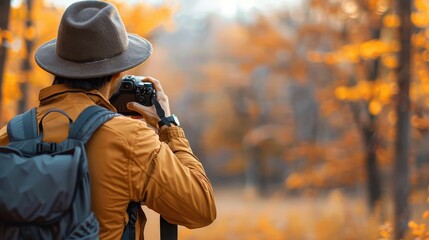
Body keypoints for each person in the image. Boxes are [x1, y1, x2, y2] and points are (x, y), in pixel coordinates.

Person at [0, 1, 216, 239]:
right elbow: (201, 209)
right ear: (117, 74)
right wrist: (169, 126)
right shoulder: (130, 139)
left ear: (58, 69)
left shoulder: (9, 136)